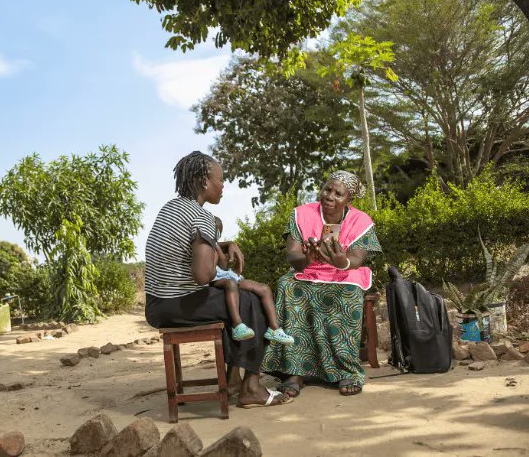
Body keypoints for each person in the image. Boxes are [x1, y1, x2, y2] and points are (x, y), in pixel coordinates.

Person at [144, 151, 292, 408]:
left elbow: (187, 247)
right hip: (178, 304)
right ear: (204, 181)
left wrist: (223, 243)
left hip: (156, 305)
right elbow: (202, 275)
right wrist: (230, 272)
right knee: (252, 300)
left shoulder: (172, 208)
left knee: (236, 300)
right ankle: (251, 387)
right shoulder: (202, 217)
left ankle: (233, 379)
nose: (223, 186)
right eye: (220, 179)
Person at [262, 171, 382, 397]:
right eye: (327, 189)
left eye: (338, 193)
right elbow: (292, 256)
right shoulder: (300, 214)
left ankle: (346, 370)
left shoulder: (361, 221)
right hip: (309, 271)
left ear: (349, 200)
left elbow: (356, 260)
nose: (329, 196)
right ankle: (294, 372)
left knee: (347, 293)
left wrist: (341, 261)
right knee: (287, 286)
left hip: (344, 273)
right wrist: (308, 259)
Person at [211, 216, 294, 344]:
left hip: (229, 276)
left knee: (264, 288)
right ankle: (237, 325)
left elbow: (228, 268)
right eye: (215, 232)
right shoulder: (205, 247)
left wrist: (227, 249)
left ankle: (274, 329)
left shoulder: (218, 245)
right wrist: (218, 247)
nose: (217, 236)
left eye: (218, 233)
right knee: (230, 284)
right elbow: (222, 265)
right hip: (215, 280)